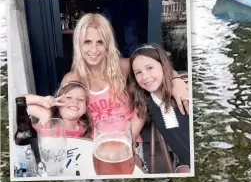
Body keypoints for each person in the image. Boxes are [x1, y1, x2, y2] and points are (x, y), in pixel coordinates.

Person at [60, 13, 189, 163]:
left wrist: (176, 80)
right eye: (87, 42)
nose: (93, 50)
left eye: (100, 42)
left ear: (108, 44)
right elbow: (67, 120)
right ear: (78, 44)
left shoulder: (124, 67)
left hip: (129, 142)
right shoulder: (71, 79)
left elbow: (159, 70)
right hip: (92, 145)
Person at [127, 43, 191, 173]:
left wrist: (176, 79)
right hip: (185, 160)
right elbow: (130, 133)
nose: (145, 77)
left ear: (163, 66)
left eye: (150, 68)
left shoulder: (184, 90)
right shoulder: (145, 102)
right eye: (138, 72)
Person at [21, 81, 92, 138]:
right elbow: (19, 102)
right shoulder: (47, 118)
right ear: (57, 102)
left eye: (80, 99)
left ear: (85, 108)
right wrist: (42, 100)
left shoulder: (85, 130)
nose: (75, 101)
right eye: (68, 97)